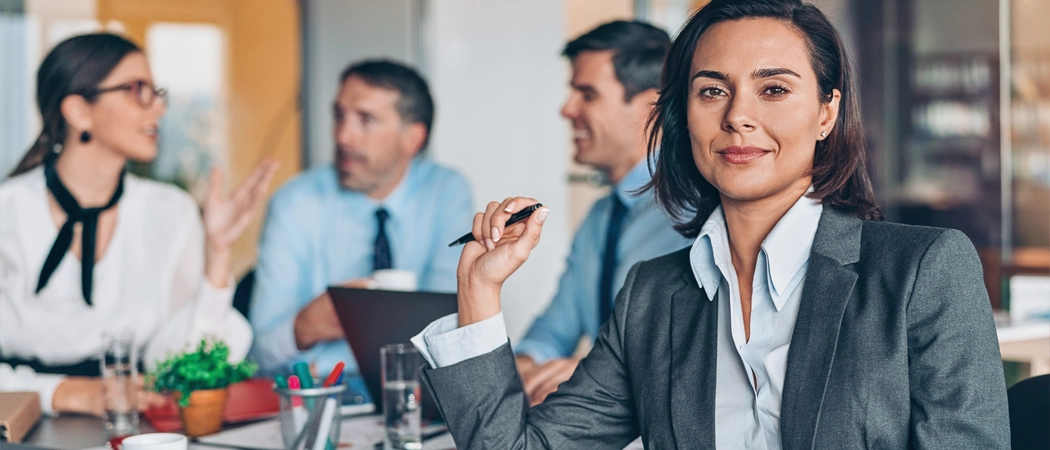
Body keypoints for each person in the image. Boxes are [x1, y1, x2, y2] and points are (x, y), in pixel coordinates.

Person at [410, 0, 1011, 448]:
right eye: (711, 91)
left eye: (773, 89)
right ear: (683, 117)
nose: (738, 118)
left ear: (827, 112)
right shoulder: (653, 294)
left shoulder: (922, 270)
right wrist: (480, 292)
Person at [0, 33, 278, 416]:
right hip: (21, 426)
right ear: (79, 111)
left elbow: (189, 366)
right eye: (137, 90)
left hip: (137, 427)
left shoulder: (171, 210)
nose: (159, 109)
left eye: (156, 91)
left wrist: (218, 253)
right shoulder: (8, 211)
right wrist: (64, 393)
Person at [248, 60, 473, 394]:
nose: (343, 136)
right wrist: (304, 327)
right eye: (339, 116)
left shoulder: (446, 192)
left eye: (366, 120)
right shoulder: (294, 203)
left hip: (420, 393)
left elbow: (454, 326)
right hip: (324, 394)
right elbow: (259, 354)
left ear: (412, 138)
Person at [514, 21, 691, 405]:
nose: (567, 109)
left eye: (587, 94)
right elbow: (554, 329)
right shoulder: (599, 218)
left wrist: (591, 373)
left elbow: (692, 352)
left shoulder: (696, 211)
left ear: (651, 106)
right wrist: (525, 366)